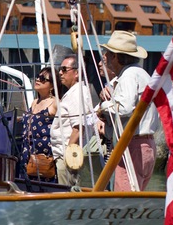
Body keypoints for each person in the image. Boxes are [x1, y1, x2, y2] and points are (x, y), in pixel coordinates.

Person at [94, 30, 158, 192]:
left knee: (123, 200)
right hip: (146, 145)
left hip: (132, 145)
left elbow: (125, 107)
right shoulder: (142, 74)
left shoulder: (128, 76)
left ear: (115, 56)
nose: (105, 57)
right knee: (136, 196)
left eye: (108, 53)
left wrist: (103, 108)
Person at [51, 53, 93, 188]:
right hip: (64, 154)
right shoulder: (73, 92)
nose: (60, 73)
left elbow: (78, 126)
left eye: (64, 69)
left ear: (77, 73)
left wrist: (68, 154)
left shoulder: (78, 93)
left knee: (66, 192)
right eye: (60, 69)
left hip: (68, 157)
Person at [20, 67, 58, 183]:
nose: (37, 79)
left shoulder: (55, 103)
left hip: (43, 157)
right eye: (38, 76)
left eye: (42, 78)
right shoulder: (34, 102)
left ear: (52, 85)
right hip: (27, 154)